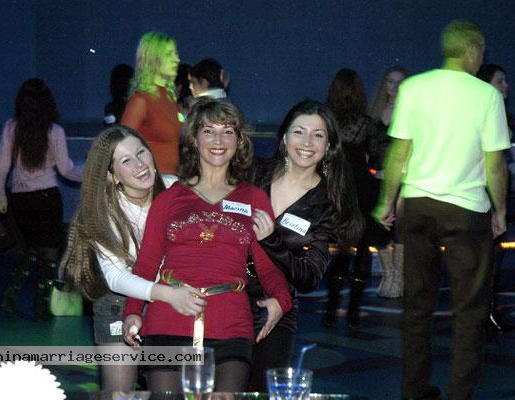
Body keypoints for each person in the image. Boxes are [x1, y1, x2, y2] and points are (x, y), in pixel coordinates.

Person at [373, 20, 510, 400]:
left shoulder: (414, 88)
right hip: (467, 210)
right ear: (473, 50)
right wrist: (500, 209)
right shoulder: (486, 95)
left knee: (417, 306)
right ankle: (459, 393)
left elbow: (398, 153)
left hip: (419, 207)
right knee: (470, 309)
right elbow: (495, 163)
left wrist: (387, 201)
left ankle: (414, 390)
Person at [121, 98, 292, 392]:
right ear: (194, 139)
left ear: (239, 141)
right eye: (209, 131)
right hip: (168, 318)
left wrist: (281, 300)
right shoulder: (169, 199)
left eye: (228, 131)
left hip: (231, 323)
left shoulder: (253, 198)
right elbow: (146, 264)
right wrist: (133, 311)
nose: (218, 140)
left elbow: (267, 266)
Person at [60, 125, 205, 395]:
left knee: (171, 392)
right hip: (120, 301)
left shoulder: (175, 188)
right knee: (119, 393)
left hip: (171, 300)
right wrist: (169, 294)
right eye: (126, 160)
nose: (140, 164)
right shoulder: (102, 211)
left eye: (141, 153)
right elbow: (116, 277)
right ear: (111, 175)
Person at [247, 99, 362, 391]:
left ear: (328, 146)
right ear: (284, 138)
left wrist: (271, 240)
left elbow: (308, 278)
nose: (307, 142)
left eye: (318, 135)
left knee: (262, 392)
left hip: (274, 308)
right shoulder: (253, 174)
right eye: (299, 132)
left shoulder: (325, 204)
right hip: (224, 299)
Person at [0, 78, 83, 321]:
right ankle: (41, 306)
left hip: (20, 198)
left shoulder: (11, 127)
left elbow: (2, 166)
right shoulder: (55, 131)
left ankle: (11, 292)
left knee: (31, 247)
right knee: (49, 251)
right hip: (47, 197)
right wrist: (91, 171)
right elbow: (66, 170)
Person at [324, 68, 383, 328]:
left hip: (336, 185)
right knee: (363, 247)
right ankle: (354, 311)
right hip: (361, 186)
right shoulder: (366, 124)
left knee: (344, 247)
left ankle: (331, 305)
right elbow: (375, 158)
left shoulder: (325, 120)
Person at [477, 63, 515, 334]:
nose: (506, 86)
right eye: (500, 81)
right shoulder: (486, 116)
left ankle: (487, 310)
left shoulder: (501, 116)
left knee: (492, 256)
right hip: (486, 193)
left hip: (495, 192)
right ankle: (485, 312)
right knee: (487, 256)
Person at [368, 66, 410, 299]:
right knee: (379, 230)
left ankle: (399, 277)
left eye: (399, 82)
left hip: (403, 179)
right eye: (390, 82)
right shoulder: (375, 112)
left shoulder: (411, 111)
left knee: (401, 228)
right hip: (377, 177)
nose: (394, 87)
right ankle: (389, 274)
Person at [121, 31, 182, 175]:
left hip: (173, 180)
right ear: (152, 59)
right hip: (153, 182)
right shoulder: (141, 101)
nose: (177, 60)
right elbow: (121, 146)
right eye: (169, 54)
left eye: (176, 54)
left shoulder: (170, 98)